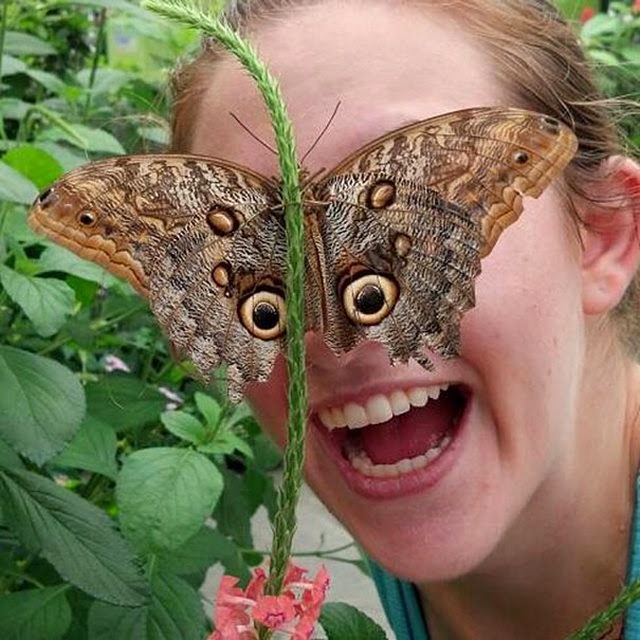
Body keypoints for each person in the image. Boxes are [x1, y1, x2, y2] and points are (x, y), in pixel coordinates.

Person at [169, 1, 640, 638]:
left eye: (410, 212)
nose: (324, 331)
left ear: (603, 235)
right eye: (249, 254)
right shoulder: (414, 472)